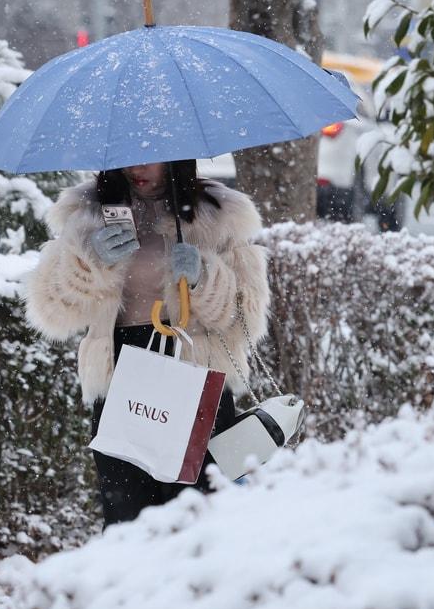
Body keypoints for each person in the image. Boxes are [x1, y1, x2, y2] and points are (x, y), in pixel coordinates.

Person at [24, 160, 270, 526]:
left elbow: (245, 317)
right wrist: (89, 263)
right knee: (128, 517)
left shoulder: (218, 215)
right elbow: (51, 311)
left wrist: (205, 277)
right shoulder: (86, 214)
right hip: (122, 372)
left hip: (196, 373)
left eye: (149, 155)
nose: (136, 166)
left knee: (200, 515)